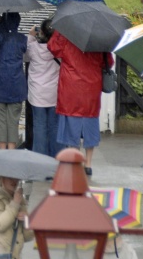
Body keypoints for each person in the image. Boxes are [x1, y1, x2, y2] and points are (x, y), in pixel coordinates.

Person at [48, 28, 112, 176]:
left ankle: (75, 161)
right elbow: (108, 61)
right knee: (90, 123)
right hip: (91, 88)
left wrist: (58, 31)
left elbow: (53, 47)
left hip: (71, 88)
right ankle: (88, 164)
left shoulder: (68, 36)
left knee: (71, 125)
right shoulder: (99, 39)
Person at [0, 12, 28, 149]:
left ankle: (2, 151)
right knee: (13, 121)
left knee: (0, 121)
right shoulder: (22, 39)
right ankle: (11, 152)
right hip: (16, 86)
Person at [25, 19, 62, 157]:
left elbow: (24, 57)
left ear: (41, 32)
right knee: (54, 126)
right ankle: (56, 156)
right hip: (54, 93)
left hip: (37, 94)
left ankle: (40, 158)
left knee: (39, 126)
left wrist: (30, 36)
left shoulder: (33, 48)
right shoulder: (59, 49)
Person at [0, 175, 34, 259]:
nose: (13, 180)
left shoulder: (20, 200)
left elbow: (28, 237)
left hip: (14, 255)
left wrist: (26, 221)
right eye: (9, 177)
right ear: (0, 178)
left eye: (16, 177)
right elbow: (0, 224)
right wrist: (15, 204)